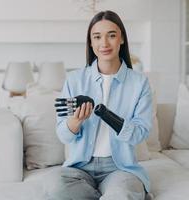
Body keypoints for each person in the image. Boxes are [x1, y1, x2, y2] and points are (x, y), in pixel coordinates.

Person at [46, 10, 153, 200]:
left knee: (122, 194)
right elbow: (63, 134)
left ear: (121, 39)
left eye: (111, 35)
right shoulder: (74, 80)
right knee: (55, 189)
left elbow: (140, 133)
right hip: (80, 168)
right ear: (91, 42)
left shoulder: (139, 83)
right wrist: (75, 122)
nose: (104, 43)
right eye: (97, 37)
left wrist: (109, 117)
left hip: (120, 168)